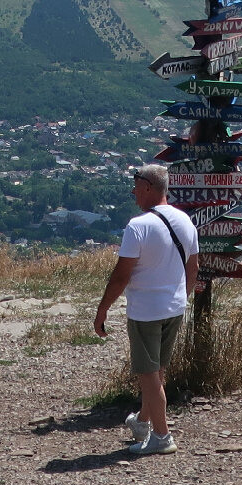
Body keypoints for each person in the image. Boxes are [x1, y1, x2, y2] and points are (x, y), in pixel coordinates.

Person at [93, 164, 199, 455]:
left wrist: (102, 310)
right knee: (158, 371)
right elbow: (193, 266)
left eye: (137, 186)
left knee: (148, 374)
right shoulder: (185, 221)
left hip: (145, 311)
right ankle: (142, 421)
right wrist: (181, 296)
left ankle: (162, 437)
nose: (133, 192)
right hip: (174, 308)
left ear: (149, 188)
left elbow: (121, 275)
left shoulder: (138, 226)